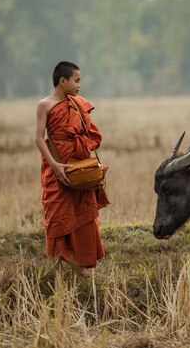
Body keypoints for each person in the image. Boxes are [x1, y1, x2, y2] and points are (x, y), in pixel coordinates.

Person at [34, 61, 108, 268]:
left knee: (83, 211)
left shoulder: (77, 103)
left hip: (79, 166)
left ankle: (83, 262)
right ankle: (61, 263)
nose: (79, 85)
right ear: (62, 81)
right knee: (59, 211)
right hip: (56, 165)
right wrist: (55, 166)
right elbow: (39, 139)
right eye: (76, 81)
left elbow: (89, 133)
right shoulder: (45, 105)